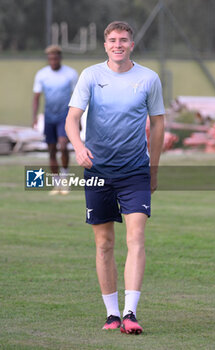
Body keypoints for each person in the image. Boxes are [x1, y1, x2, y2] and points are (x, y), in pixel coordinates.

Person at [65, 21, 165, 334]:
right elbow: (72, 119)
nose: (118, 45)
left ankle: (130, 312)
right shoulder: (91, 76)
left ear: (131, 44)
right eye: (112, 40)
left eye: (123, 40)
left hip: (135, 170)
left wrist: (154, 167)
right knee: (104, 243)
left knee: (136, 237)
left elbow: (158, 124)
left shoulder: (149, 79)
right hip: (98, 170)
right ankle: (112, 315)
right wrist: (79, 147)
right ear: (105, 45)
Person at [32, 45, 78, 194]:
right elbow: (36, 97)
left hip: (64, 117)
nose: (53, 61)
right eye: (50, 58)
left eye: (55, 58)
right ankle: (56, 183)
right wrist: (34, 117)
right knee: (51, 150)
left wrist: (78, 119)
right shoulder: (42, 75)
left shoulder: (70, 74)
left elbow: (78, 98)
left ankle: (65, 180)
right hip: (49, 117)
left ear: (60, 58)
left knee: (63, 146)